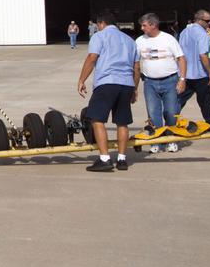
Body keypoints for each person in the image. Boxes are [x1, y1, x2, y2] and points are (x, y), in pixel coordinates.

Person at [76, 11, 139, 172]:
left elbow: (92, 57)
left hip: (106, 82)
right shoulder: (130, 40)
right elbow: (136, 67)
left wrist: (82, 79)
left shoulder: (100, 36)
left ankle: (104, 159)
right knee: (122, 122)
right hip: (126, 84)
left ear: (101, 24)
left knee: (97, 119)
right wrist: (134, 88)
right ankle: (122, 159)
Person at [133, 12, 186, 153]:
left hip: (170, 81)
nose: (142, 28)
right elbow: (135, 64)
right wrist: (134, 87)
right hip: (149, 82)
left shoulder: (168, 39)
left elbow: (181, 59)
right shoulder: (139, 41)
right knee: (153, 113)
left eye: (144, 25)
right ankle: (156, 141)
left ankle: (171, 140)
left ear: (153, 25)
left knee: (171, 112)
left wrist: (182, 79)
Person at [176, 9, 210, 134]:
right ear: (199, 20)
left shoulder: (185, 31)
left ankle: (170, 124)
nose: (209, 23)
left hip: (185, 74)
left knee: (178, 102)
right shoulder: (202, 34)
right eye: (207, 21)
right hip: (200, 75)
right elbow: (203, 55)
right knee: (207, 103)